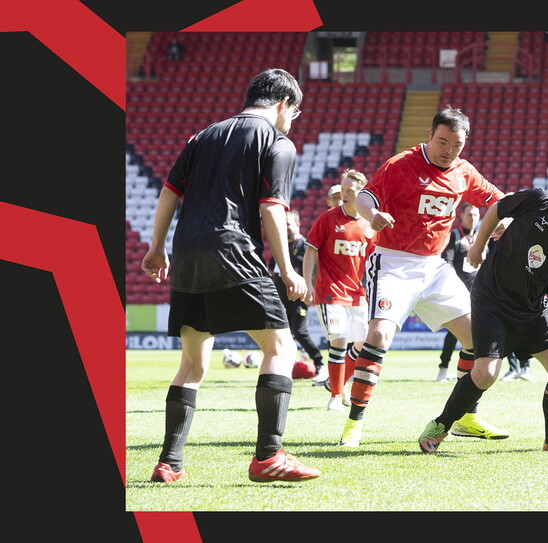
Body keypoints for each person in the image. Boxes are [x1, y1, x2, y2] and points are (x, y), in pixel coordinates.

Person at [140, 68, 320, 483]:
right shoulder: (277, 141)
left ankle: (169, 462)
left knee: (192, 361)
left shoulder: (202, 136)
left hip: (186, 253)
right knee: (281, 347)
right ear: (282, 103)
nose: (293, 120)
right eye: (294, 111)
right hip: (232, 247)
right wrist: (289, 270)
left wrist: (156, 246)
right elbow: (272, 207)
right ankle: (269, 456)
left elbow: (170, 190)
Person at [418, 164, 548, 454]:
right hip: (493, 297)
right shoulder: (542, 201)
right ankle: (439, 427)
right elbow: (498, 208)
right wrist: (478, 246)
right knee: (487, 373)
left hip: (533, 307)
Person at [341, 106, 509, 447]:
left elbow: (499, 200)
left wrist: (502, 219)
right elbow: (364, 197)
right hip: (393, 262)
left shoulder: (464, 171)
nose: (449, 150)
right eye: (443, 141)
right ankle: (353, 424)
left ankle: (465, 417)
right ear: (430, 136)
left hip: (434, 267)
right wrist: (372, 215)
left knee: (480, 340)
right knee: (379, 337)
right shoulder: (401, 164)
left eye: (457, 145)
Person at [302, 169, 375, 411]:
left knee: (364, 343)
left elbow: (375, 261)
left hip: (357, 294)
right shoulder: (327, 219)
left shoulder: (368, 226)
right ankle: (335, 396)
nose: (344, 195)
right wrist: (307, 282)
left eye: (350, 191)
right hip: (330, 292)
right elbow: (310, 250)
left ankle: (338, 383)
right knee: (339, 340)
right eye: (342, 190)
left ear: (361, 193)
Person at [268, 209, 327, 382]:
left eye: (288, 224)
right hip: (280, 299)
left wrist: (311, 290)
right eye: (283, 224)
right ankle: (283, 368)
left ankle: (319, 363)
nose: (285, 228)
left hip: (298, 297)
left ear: (298, 224)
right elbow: (273, 271)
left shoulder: (304, 246)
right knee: (282, 334)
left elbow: (313, 270)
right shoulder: (281, 247)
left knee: (299, 332)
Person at [436, 203, 480, 382]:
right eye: (470, 214)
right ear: (461, 216)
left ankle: (474, 371)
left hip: (478, 294)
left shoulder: (482, 236)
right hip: (459, 293)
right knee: (454, 333)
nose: (473, 218)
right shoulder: (454, 236)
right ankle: (443, 368)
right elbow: (447, 262)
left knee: (478, 333)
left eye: (476, 215)